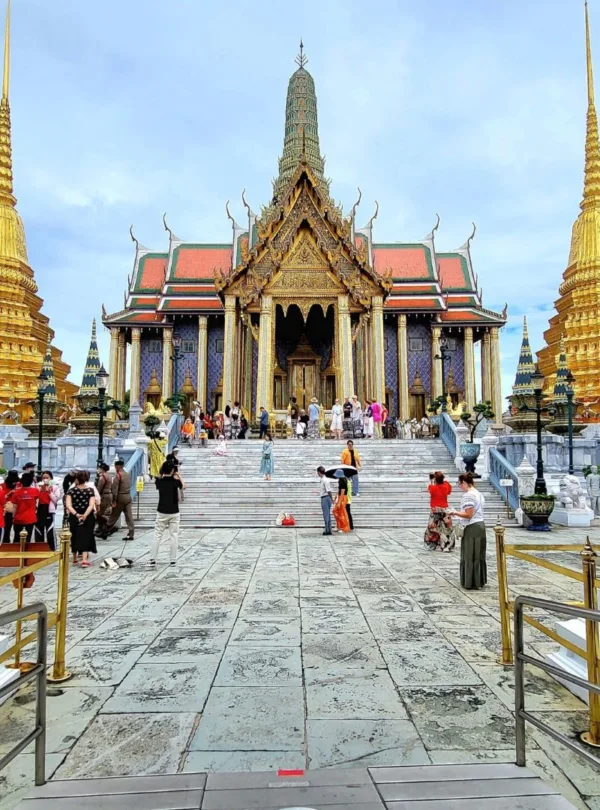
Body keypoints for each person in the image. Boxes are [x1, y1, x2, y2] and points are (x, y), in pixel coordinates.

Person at [449, 473, 487, 590]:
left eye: (460, 484)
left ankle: (470, 581)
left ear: (465, 483)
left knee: (470, 553)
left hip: (472, 527)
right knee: (478, 554)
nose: (460, 486)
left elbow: (468, 514)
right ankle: (479, 580)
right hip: (480, 524)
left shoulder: (468, 495)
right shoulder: (479, 494)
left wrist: (454, 512)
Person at [149, 460, 183, 566]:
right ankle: (173, 559)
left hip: (162, 511)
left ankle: (153, 558)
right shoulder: (175, 482)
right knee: (174, 535)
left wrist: (162, 471)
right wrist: (179, 475)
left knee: (157, 535)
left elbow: (158, 477)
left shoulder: (159, 482)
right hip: (174, 511)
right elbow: (184, 486)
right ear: (173, 470)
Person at [65, 470, 97, 567]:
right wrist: (85, 515)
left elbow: (68, 505)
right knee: (86, 536)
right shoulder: (90, 490)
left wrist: (76, 514)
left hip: (74, 515)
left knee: (74, 535)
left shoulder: (71, 491)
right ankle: (84, 559)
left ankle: (74, 558)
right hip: (88, 515)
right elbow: (91, 505)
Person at [105, 458, 134, 541]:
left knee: (114, 515)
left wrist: (114, 500)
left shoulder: (118, 475)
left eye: (115, 466)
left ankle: (105, 530)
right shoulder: (127, 474)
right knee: (129, 516)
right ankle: (131, 533)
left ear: (117, 466)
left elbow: (114, 489)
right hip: (128, 496)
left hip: (120, 497)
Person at [424, 471, 454, 552]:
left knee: (433, 528)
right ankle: (447, 545)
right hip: (444, 509)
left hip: (435, 510)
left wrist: (431, 480)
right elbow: (449, 491)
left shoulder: (432, 488)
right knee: (447, 528)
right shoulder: (446, 485)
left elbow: (429, 488)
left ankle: (434, 544)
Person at [9, 471, 39, 544]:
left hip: (18, 518)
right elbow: (38, 502)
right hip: (30, 518)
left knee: (17, 538)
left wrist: (13, 517)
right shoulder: (35, 491)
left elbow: (14, 506)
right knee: (28, 539)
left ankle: (17, 551)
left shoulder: (16, 492)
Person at [36, 471, 60, 550]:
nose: (45, 479)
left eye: (47, 477)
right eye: (43, 478)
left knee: (50, 529)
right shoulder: (38, 486)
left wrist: (49, 491)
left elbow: (55, 500)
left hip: (49, 510)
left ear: (51, 478)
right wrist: (40, 489)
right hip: (39, 509)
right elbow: (36, 498)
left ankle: (52, 548)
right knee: (39, 529)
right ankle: (39, 547)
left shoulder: (55, 487)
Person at [0, 469, 20, 544]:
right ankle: (6, 543)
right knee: (7, 529)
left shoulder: (18, 484)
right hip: (7, 510)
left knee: (17, 530)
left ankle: (16, 544)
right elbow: (2, 497)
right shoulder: (2, 486)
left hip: (17, 509)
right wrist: (10, 493)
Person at [94, 463, 113, 539]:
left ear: (102, 469)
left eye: (99, 468)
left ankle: (108, 527)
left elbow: (99, 488)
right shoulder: (109, 476)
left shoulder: (103, 477)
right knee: (100, 514)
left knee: (98, 514)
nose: (98, 470)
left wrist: (95, 497)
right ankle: (102, 530)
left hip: (104, 496)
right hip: (108, 495)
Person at [317, 466, 334, 535]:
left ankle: (327, 530)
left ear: (319, 472)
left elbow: (329, 490)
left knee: (326, 515)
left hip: (325, 498)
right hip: (325, 497)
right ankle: (329, 529)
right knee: (327, 514)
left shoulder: (325, 480)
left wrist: (331, 498)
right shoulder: (323, 480)